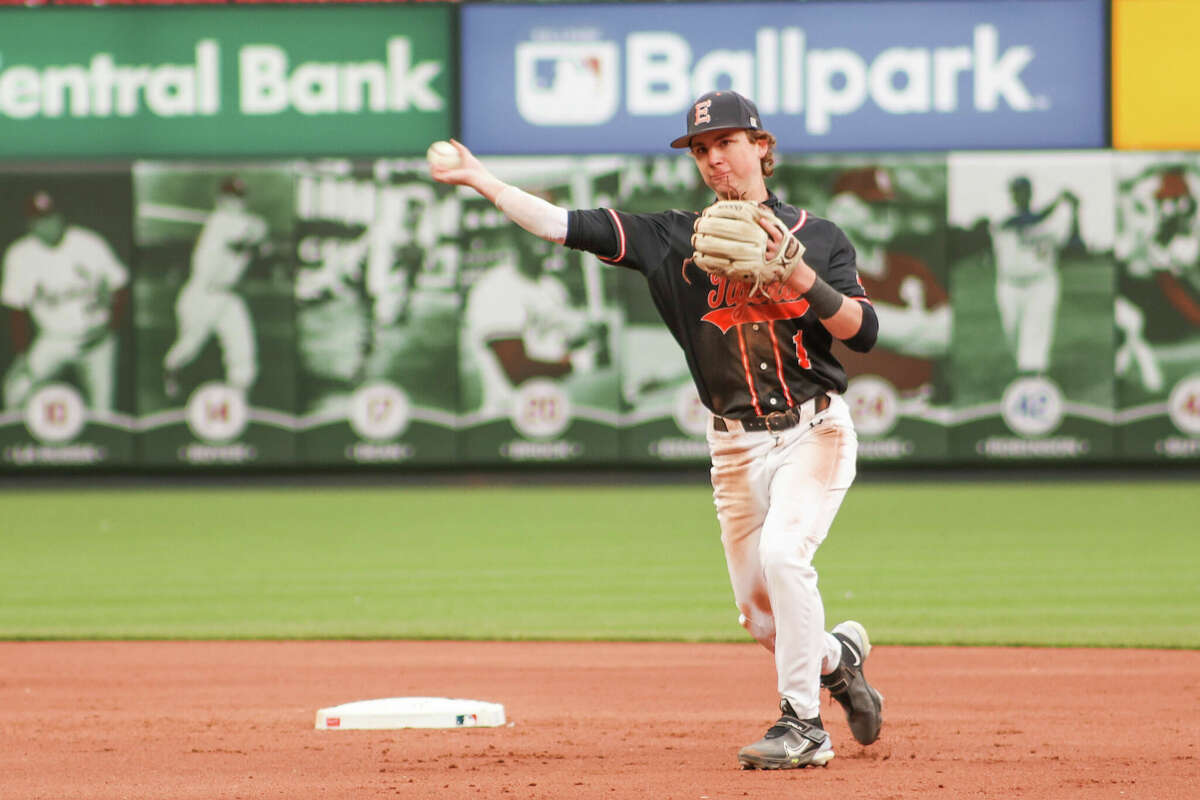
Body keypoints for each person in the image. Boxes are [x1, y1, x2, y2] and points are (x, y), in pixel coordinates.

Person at [431, 90, 883, 770]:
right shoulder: (672, 237)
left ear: (761, 146)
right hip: (732, 445)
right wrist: (484, 180)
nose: (713, 158)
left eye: (725, 143)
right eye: (701, 149)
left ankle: (804, 727)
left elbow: (863, 331)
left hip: (811, 432)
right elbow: (562, 224)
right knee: (765, 620)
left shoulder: (819, 236)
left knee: (787, 558)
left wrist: (798, 273)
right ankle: (837, 658)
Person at [1, 190, 128, 413]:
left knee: (104, 410)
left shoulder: (89, 243)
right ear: (29, 225)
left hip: (97, 340)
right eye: (40, 220)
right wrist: (21, 355)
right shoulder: (19, 255)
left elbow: (121, 285)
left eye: (52, 217)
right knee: (16, 392)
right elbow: (16, 310)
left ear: (62, 217)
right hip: (53, 340)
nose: (48, 225)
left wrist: (110, 328)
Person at [162, 176, 269, 400]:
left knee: (243, 347)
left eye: (240, 198)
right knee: (189, 348)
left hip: (228, 295)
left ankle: (240, 396)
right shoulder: (221, 222)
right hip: (202, 295)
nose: (236, 203)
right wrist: (260, 230)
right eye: (231, 198)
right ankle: (171, 371)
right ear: (220, 200)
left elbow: (258, 243)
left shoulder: (237, 221)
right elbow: (252, 235)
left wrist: (259, 235)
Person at [990, 175, 1081, 376]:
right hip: (1009, 285)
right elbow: (1026, 221)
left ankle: (1033, 374)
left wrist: (1075, 210)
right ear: (1011, 195)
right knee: (1012, 333)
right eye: (1015, 191)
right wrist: (1059, 200)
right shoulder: (1001, 218)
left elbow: (1074, 244)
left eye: (1023, 191)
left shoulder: (1050, 221)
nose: (1018, 195)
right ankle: (1026, 368)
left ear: (1030, 193)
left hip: (1042, 284)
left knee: (1036, 332)